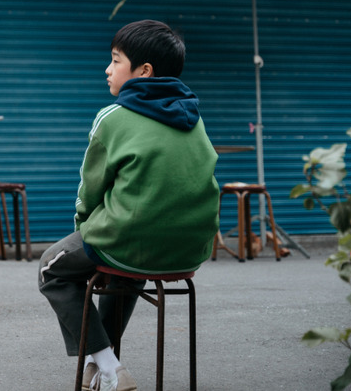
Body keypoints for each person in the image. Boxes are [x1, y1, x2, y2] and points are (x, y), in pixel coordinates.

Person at [38, 20, 220, 391]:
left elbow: (89, 193)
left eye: (115, 60)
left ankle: (107, 365)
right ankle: (99, 364)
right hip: (191, 251)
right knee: (124, 270)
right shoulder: (193, 118)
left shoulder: (114, 117)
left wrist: (85, 234)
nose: (107, 69)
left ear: (143, 72)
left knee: (52, 269)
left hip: (128, 240)